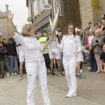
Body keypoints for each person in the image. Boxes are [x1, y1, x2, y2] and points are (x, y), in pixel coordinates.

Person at [7, 10, 51, 105]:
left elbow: (41, 49)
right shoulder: (22, 40)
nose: (34, 30)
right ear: (28, 30)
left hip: (41, 63)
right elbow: (12, 33)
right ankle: (30, 103)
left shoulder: (35, 39)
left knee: (44, 85)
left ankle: (47, 103)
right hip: (31, 64)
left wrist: (49, 41)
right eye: (33, 29)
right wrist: (10, 20)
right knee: (32, 85)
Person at [60, 24, 81, 97]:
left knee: (72, 74)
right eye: (69, 28)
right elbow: (61, 47)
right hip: (65, 57)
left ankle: (73, 90)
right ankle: (71, 89)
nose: (71, 29)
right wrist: (55, 41)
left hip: (72, 57)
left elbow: (79, 47)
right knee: (67, 74)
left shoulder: (76, 37)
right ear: (67, 29)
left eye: (72, 28)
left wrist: (77, 51)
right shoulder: (64, 37)